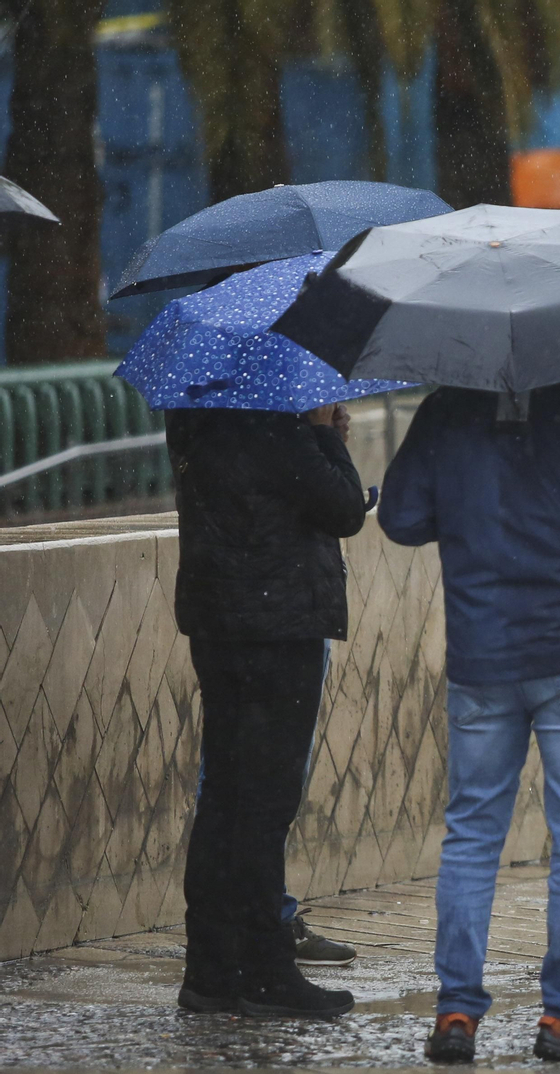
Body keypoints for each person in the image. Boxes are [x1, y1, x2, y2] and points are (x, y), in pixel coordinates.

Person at [380, 382, 560, 1063]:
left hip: (481, 651)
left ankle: (456, 1012)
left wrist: (472, 501)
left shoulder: (448, 409)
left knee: (472, 834)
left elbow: (401, 516)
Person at [169, 402, 367, 1019]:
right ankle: (264, 972)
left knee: (225, 797)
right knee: (263, 804)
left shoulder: (195, 408)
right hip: (278, 626)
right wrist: (325, 435)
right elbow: (346, 509)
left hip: (217, 620)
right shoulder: (277, 420)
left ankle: (210, 971)